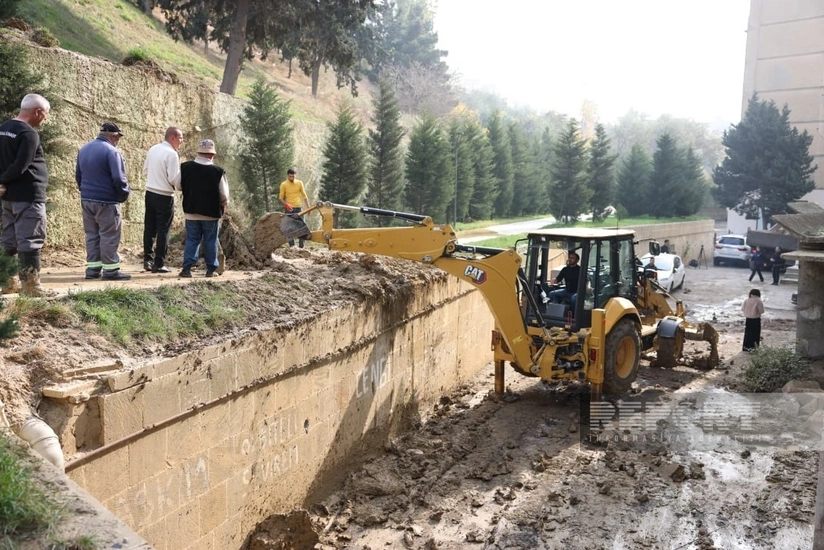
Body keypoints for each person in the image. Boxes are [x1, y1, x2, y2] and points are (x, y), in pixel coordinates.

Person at [0, 94, 51, 296]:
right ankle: (31, 287)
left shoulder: (3, 128)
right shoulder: (29, 134)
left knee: (9, 239)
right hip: (28, 195)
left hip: (8, 197)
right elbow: (22, 165)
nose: (44, 119)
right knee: (30, 239)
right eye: (45, 114)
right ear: (37, 112)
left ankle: (7, 282)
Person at [76, 122, 131, 280]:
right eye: (118, 138)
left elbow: (78, 175)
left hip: (87, 199)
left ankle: (92, 270)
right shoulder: (112, 152)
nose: (118, 141)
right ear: (113, 136)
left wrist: (85, 191)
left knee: (92, 234)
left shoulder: (84, 149)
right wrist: (122, 195)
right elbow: (119, 179)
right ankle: (111, 271)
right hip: (106, 200)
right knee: (109, 235)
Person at [178, 139, 229, 278]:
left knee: (192, 240)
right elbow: (224, 194)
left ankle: (187, 269)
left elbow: (178, 185)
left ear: (198, 153)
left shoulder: (185, 167)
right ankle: (211, 269)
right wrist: (224, 204)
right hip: (211, 213)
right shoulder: (218, 171)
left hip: (191, 211)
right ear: (212, 155)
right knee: (210, 240)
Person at [142, 126, 183, 273]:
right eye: (180, 138)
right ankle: (159, 263)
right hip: (164, 195)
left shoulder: (153, 149)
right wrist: (181, 186)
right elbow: (173, 179)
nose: (182, 142)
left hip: (150, 192)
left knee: (149, 227)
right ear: (172, 138)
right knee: (163, 230)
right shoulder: (172, 154)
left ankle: (147, 259)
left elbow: (145, 170)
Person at [278, 168, 309, 248]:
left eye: (293, 176)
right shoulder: (284, 184)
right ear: (287, 176)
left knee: (302, 227)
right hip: (289, 209)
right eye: (290, 176)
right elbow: (281, 198)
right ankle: (292, 247)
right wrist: (285, 204)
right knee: (288, 228)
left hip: (299, 208)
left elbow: (304, 196)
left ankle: (301, 247)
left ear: (296, 175)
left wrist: (308, 208)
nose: (292, 178)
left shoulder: (299, 183)